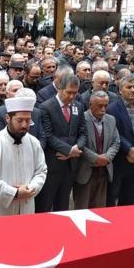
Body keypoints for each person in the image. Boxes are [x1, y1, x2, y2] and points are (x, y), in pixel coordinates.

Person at [0, 96, 47, 216]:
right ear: (7, 118)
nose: (24, 125)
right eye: (20, 120)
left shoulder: (34, 143)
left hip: (27, 206)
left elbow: (41, 171)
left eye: (28, 120)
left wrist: (31, 188)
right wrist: (14, 193)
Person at [37, 74, 85, 212]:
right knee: (45, 203)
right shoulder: (46, 107)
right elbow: (48, 134)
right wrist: (69, 150)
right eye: (68, 92)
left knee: (63, 204)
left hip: (71, 165)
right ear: (59, 88)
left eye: (75, 93)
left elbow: (83, 132)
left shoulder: (79, 106)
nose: (71, 97)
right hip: (53, 163)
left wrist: (76, 148)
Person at [106, 74, 134, 206]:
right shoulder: (112, 109)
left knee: (132, 197)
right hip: (119, 160)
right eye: (129, 87)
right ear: (120, 90)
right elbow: (114, 133)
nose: (133, 90)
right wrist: (129, 149)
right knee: (112, 196)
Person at [72, 91, 121, 208]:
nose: (103, 109)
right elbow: (78, 143)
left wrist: (107, 157)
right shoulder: (81, 118)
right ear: (90, 104)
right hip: (85, 171)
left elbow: (116, 141)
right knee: (82, 210)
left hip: (104, 170)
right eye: (100, 106)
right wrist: (95, 158)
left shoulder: (111, 119)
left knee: (100, 209)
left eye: (106, 106)